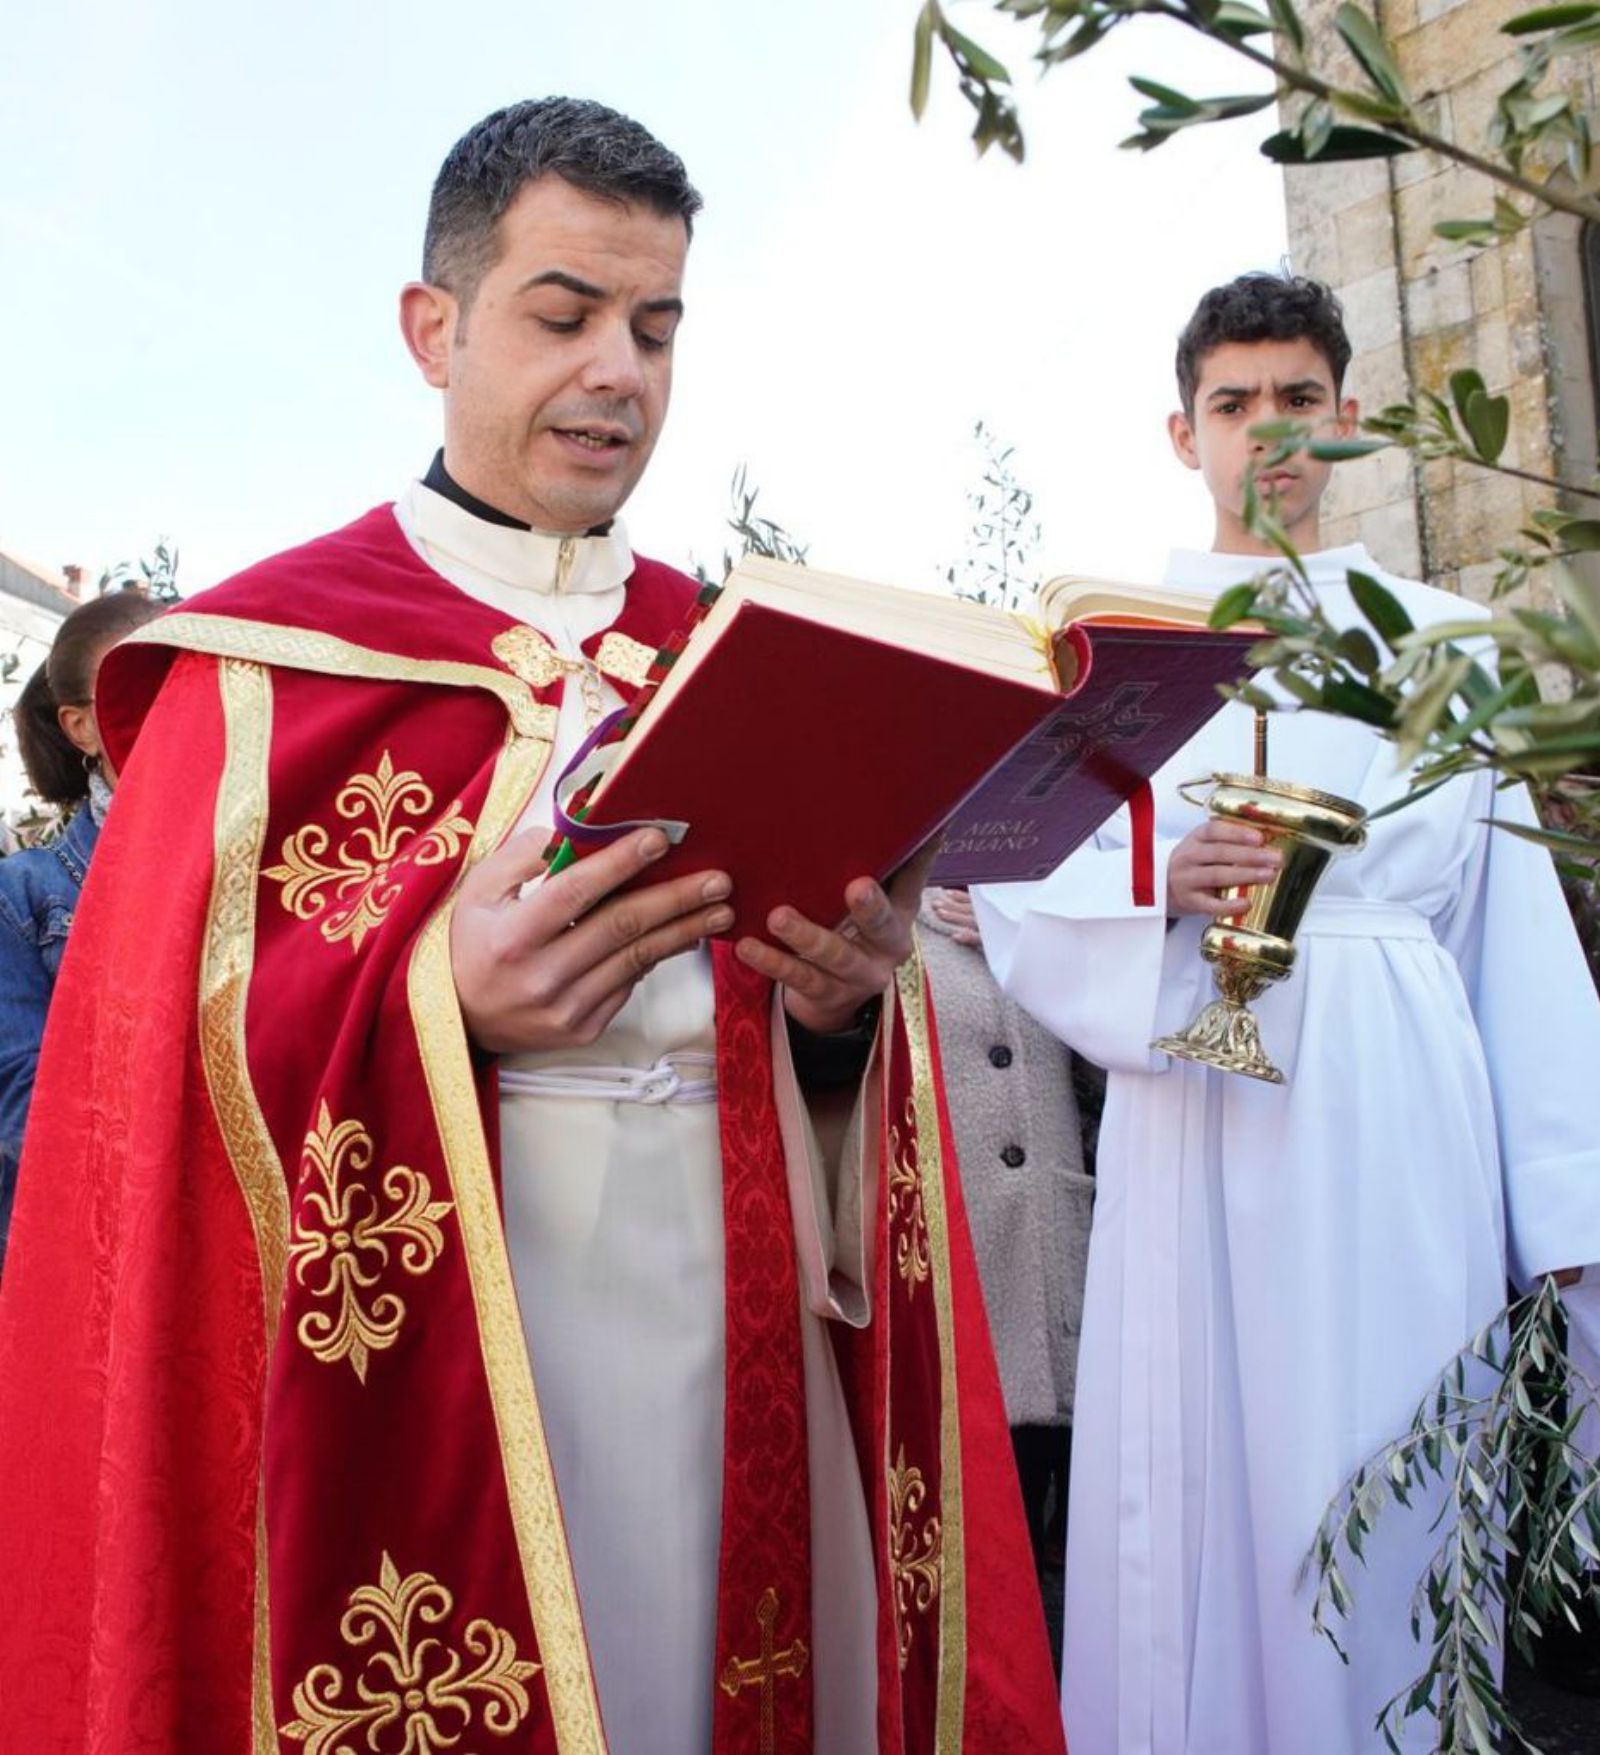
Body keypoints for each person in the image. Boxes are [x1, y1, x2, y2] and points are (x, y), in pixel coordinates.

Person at [0, 99, 1062, 1754]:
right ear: (436, 330)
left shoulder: (732, 649)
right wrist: (439, 1006)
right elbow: (141, 1121)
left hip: (752, 1334)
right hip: (461, 1373)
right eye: (562, 316)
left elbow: (826, 1044)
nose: (618, 372)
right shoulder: (255, 675)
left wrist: (844, 1019)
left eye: (656, 327)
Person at [975, 271, 1600, 1754]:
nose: (1270, 435)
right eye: (1235, 403)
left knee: (1379, 1449)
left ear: (1353, 419)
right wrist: (1158, 874)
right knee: (1190, 1467)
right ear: (1181, 429)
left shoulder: (1448, 641)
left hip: (1394, 1102)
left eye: (1299, 401)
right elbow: (1013, 879)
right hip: (1194, 1088)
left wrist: (1565, 1200)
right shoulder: (1107, 641)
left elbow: (1510, 930)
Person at [921, 883, 1092, 1576]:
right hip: (938, 1276)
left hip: (1055, 1273)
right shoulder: (873, 906)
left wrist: (1046, 939)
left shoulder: (1059, 897)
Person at [0, 589, 163, 1273]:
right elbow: (25, 1105)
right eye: (131, 690)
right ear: (80, 727)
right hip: (95, 1266)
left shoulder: (273, 859)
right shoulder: (27, 895)